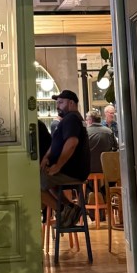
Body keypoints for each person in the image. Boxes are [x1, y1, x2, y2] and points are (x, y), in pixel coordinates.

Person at [40, 89, 90, 227]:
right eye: (57, 103)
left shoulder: (71, 119)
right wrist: (46, 157)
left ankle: (63, 210)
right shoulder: (72, 119)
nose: (58, 106)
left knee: (33, 184)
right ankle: (70, 209)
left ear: (71, 103)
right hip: (74, 170)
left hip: (71, 171)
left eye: (61, 102)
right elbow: (57, 143)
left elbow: (72, 143)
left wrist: (58, 166)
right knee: (47, 183)